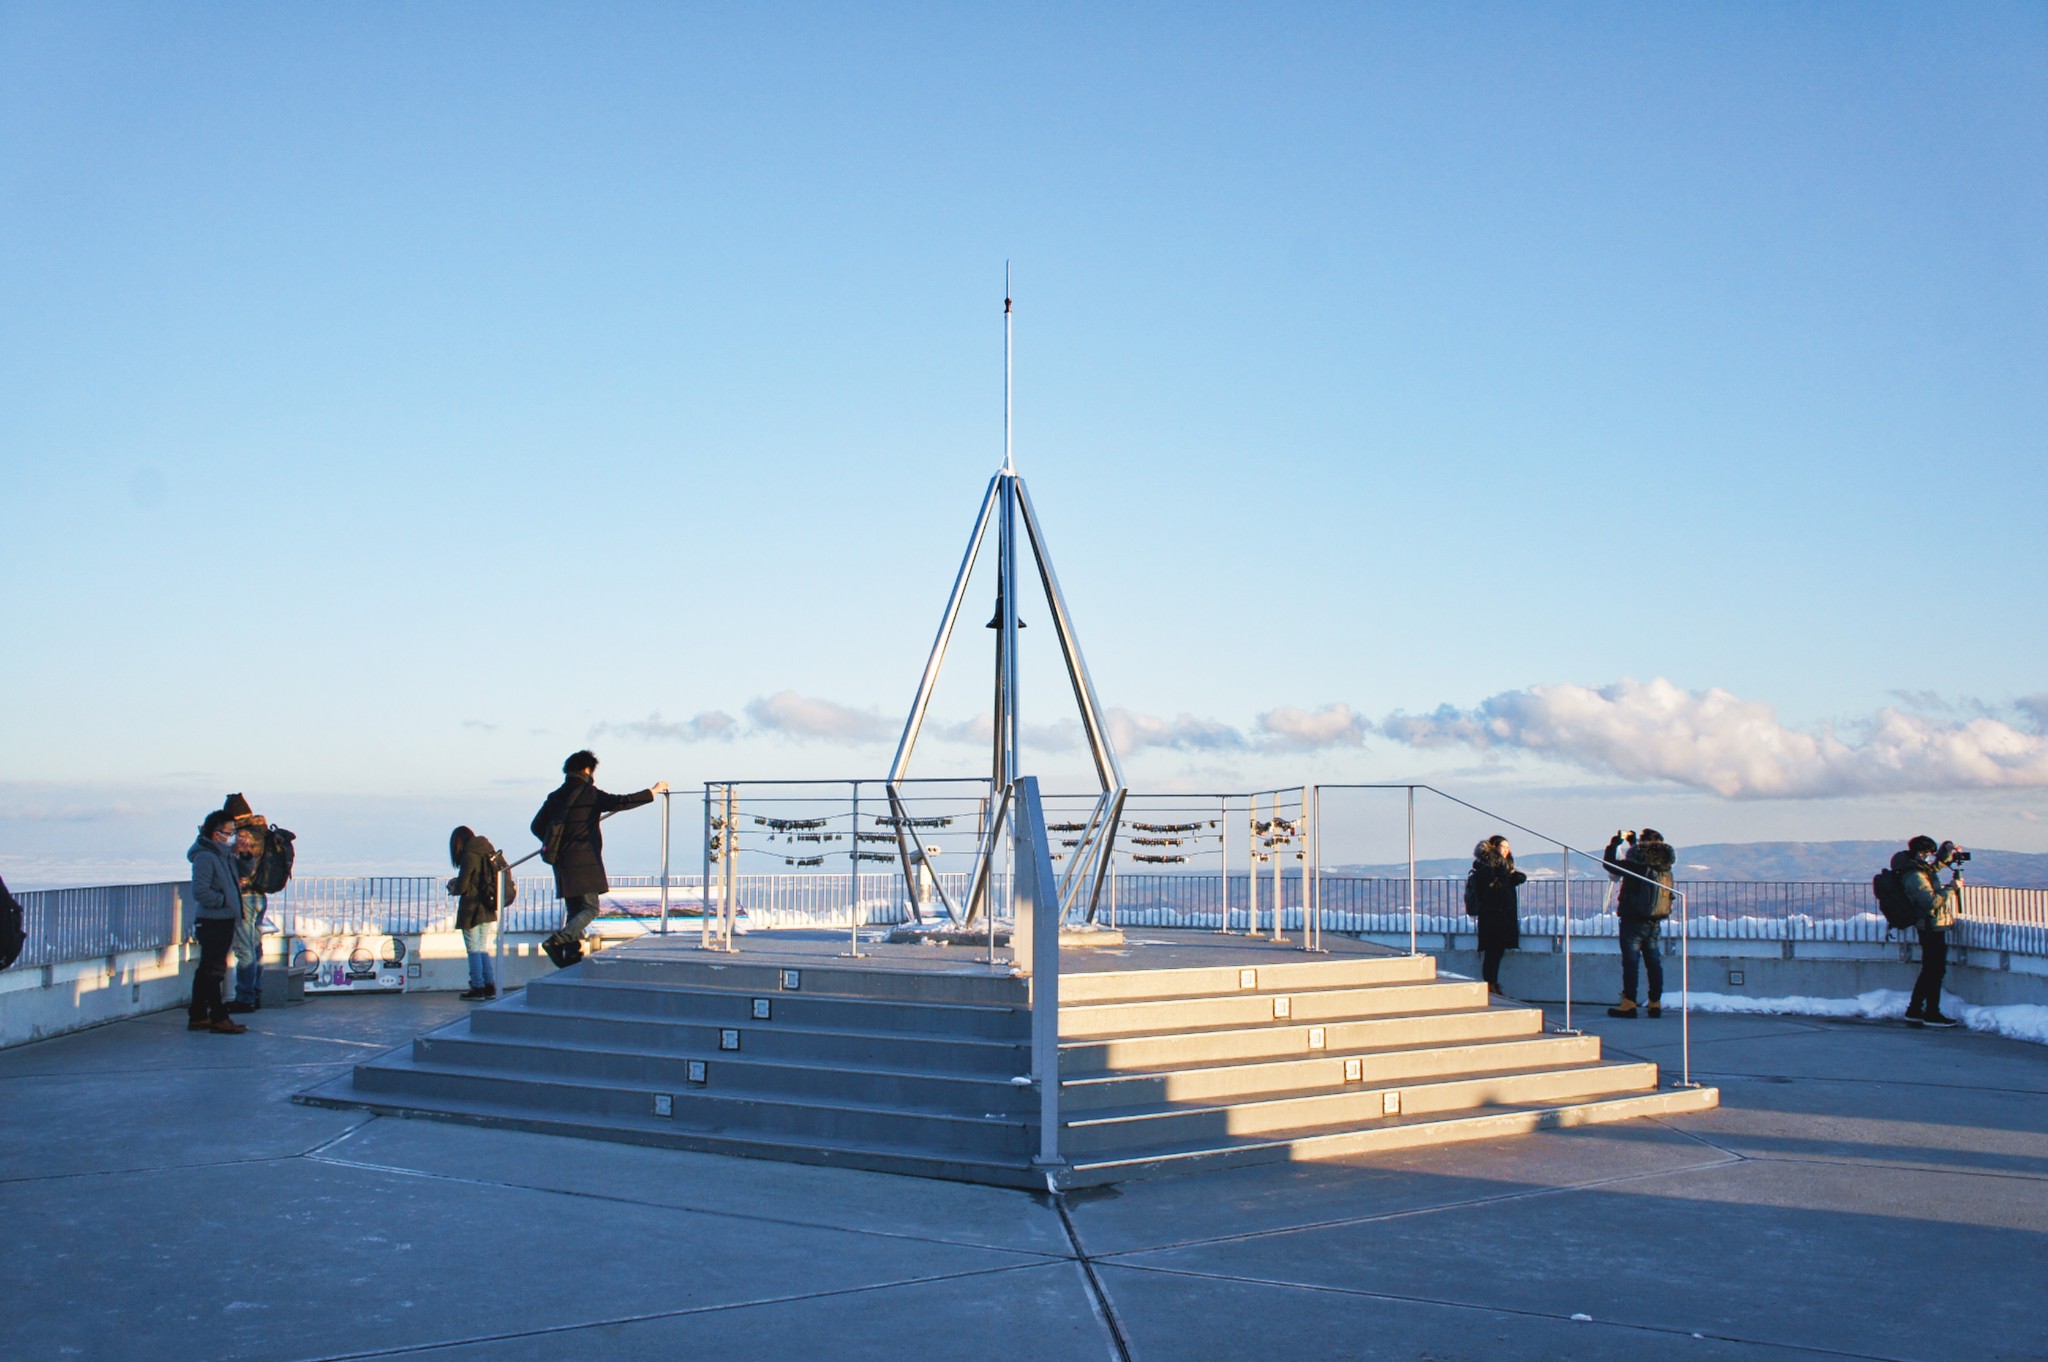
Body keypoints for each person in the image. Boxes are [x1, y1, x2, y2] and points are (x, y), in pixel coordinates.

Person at [530, 751, 667, 968]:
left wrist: (556, 841)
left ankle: (573, 954)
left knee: (575, 910)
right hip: (586, 860)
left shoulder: (555, 796)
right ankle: (558, 941)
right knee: (591, 908)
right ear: (587, 769)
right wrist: (653, 791)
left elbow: (536, 826)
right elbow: (622, 802)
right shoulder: (589, 794)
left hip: (561, 861)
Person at [1604, 827, 1676, 1019]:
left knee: (1631, 962)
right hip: (1654, 921)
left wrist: (1614, 844)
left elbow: (1611, 865)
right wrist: (1633, 845)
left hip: (1633, 920)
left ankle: (1629, 1003)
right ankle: (1655, 1002)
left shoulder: (1637, 867)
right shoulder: (1664, 868)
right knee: (1653, 962)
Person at [187, 811, 248, 1034]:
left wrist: (245, 855)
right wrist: (225, 902)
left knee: (206, 970)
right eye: (229, 833)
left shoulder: (223, 855)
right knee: (214, 971)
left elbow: (243, 873)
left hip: (222, 919)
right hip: (213, 921)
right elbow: (200, 891)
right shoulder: (206, 857)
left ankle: (198, 1015)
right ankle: (218, 1017)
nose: (232, 837)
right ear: (216, 834)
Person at [1894, 835, 1963, 1028]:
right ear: (1920, 853)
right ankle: (1932, 1013)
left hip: (1930, 925)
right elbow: (1930, 902)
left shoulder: (1916, 869)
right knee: (1935, 970)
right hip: (1930, 926)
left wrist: (1947, 850)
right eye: (1928, 854)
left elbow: (1933, 868)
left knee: (1930, 970)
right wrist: (1951, 889)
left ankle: (1915, 1010)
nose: (1930, 858)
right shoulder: (1913, 875)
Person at [1464, 835, 1526, 997]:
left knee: (1496, 952)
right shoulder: (1489, 867)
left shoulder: (1500, 866)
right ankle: (1490, 984)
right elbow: (1493, 889)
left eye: (1508, 847)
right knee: (1493, 951)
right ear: (1494, 848)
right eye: (1502, 847)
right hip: (1493, 916)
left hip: (1499, 915)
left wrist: (1512, 877)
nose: (1506, 850)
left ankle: (1492, 984)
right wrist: (1510, 879)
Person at [223, 792, 269, 1012]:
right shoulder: (261, 833)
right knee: (256, 946)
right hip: (260, 896)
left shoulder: (244, 837)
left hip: (245, 897)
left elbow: (228, 860)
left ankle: (245, 996)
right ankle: (255, 992)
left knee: (244, 949)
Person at [448, 826, 503, 1001]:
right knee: (481, 947)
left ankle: (477, 987)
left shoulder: (469, 854)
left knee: (473, 949)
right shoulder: (487, 850)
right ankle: (489, 986)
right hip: (487, 906)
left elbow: (463, 885)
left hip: (471, 910)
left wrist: (454, 887)